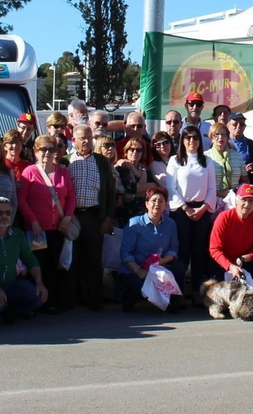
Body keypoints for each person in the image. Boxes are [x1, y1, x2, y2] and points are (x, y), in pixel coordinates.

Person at [18, 134, 77, 312]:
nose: (47, 153)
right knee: (38, 265)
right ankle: (36, 301)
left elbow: (71, 197)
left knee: (54, 264)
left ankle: (51, 301)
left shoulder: (63, 172)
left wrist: (67, 217)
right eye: (42, 149)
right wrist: (33, 221)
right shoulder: (29, 172)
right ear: (35, 151)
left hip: (57, 229)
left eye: (51, 149)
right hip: (37, 230)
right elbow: (22, 200)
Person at [0, 197, 48, 323]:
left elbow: (30, 259)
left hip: (11, 285)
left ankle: (10, 312)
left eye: (7, 213)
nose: (4, 216)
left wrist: (39, 283)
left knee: (39, 296)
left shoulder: (18, 234)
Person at [67, 123, 116, 312]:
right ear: (74, 140)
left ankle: (94, 298)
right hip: (72, 216)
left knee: (94, 259)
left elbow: (110, 192)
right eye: (82, 138)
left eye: (89, 138)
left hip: (94, 216)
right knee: (72, 259)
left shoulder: (101, 162)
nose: (86, 141)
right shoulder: (66, 161)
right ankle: (72, 298)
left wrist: (107, 218)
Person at [166, 125, 219, 292]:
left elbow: (212, 188)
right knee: (182, 251)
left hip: (201, 210)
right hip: (181, 211)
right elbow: (171, 188)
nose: (192, 141)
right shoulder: (175, 160)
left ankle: (197, 291)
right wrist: (186, 208)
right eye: (188, 137)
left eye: (195, 137)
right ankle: (178, 291)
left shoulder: (207, 161)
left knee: (198, 251)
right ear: (182, 140)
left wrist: (202, 208)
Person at [117, 185, 183, 311]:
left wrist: (162, 261)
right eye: (154, 200)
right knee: (139, 286)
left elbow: (173, 249)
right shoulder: (134, 223)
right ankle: (129, 298)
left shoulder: (171, 224)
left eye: (161, 201)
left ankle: (172, 301)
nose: (157, 204)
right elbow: (125, 253)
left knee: (179, 267)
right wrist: (139, 271)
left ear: (165, 205)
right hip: (137, 269)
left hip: (160, 267)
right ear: (146, 204)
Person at [208, 184, 253, 296]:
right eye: (244, 200)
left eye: (251, 201)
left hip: (245, 262)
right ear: (236, 200)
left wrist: (245, 258)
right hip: (224, 263)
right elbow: (214, 249)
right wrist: (230, 266)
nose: (247, 204)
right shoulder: (224, 217)